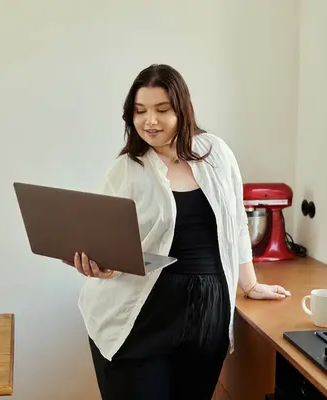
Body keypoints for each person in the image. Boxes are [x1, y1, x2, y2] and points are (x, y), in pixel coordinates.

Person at [67, 64, 291, 400]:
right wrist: (102, 266)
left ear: (182, 109)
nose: (150, 121)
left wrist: (251, 283)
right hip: (143, 312)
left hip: (208, 315)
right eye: (140, 111)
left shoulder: (216, 153)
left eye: (161, 110)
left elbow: (236, 223)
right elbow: (107, 242)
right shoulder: (127, 169)